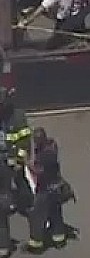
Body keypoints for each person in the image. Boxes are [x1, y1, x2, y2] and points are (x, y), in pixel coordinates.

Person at [25, 134, 68, 253]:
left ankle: (36, 245)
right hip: (56, 188)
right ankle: (59, 239)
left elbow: (38, 170)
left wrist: (28, 163)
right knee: (56, 214)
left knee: (37, 217)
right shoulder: (52, 149)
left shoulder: (43, 156)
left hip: (45, 191)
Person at [0, 87, 32, 215]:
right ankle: (7, 202)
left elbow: (24, 143)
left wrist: (19, 161)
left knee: (20, 181)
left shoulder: (17, 117)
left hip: (12, 157)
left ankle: (27, 204)